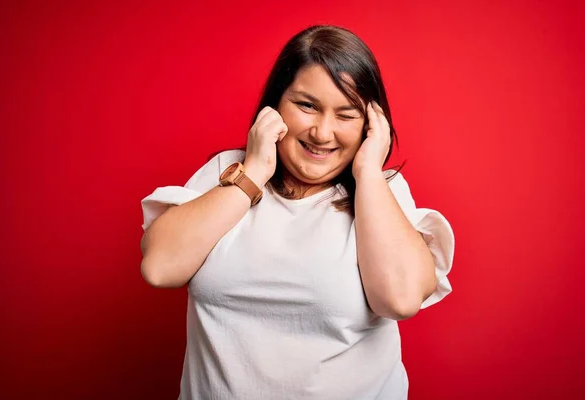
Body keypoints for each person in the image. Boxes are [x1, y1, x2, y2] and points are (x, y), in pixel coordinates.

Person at [140, 25, 454, 400]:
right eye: (307, 105)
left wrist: (369, 172)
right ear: (275, 106)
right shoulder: (230, 171)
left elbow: (400, 300)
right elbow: (160, 268)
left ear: (372, 124)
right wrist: (255, 171)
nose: (322, 133)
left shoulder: (382, 194)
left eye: (346, 114)